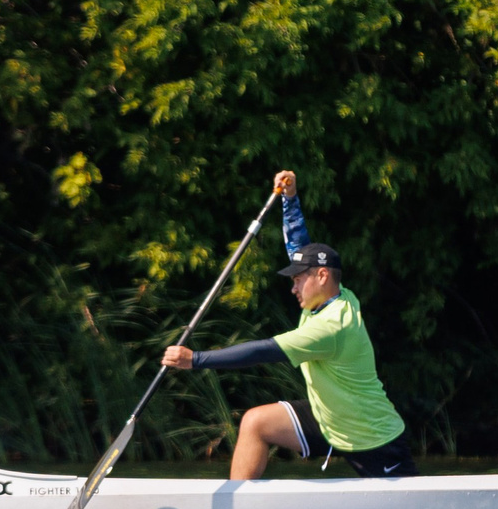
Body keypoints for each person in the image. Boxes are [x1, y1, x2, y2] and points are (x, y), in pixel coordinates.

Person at [162, 170, 417, 479]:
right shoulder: (336, 294)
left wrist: (196, 359)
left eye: (298, 280)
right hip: (329, 418)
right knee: (255, 423)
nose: (293, 288)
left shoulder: (331, 327)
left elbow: (263, 351)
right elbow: (300, 246)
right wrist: (290, 199)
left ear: (321, 277)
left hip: (372, 437)